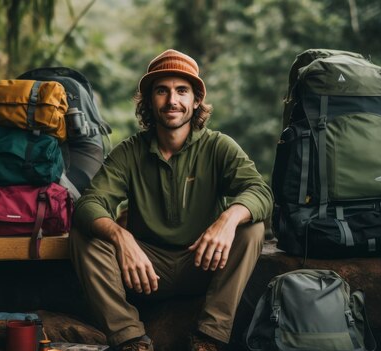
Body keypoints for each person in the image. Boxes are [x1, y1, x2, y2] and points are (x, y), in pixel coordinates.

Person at [70, 49, 272, 351]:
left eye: (182, 91)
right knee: (84, 236)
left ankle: (209, 338)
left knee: (251, 227)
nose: (172, 100)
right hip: (145, 272)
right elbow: (89, 204)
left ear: (196, 100)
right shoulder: (130, 152)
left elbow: (260, 192)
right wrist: (121, 236)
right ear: (150, 100)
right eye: (162, 91)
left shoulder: (218, 147)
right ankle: (131, 339)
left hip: (203, 263)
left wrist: (227, 220)